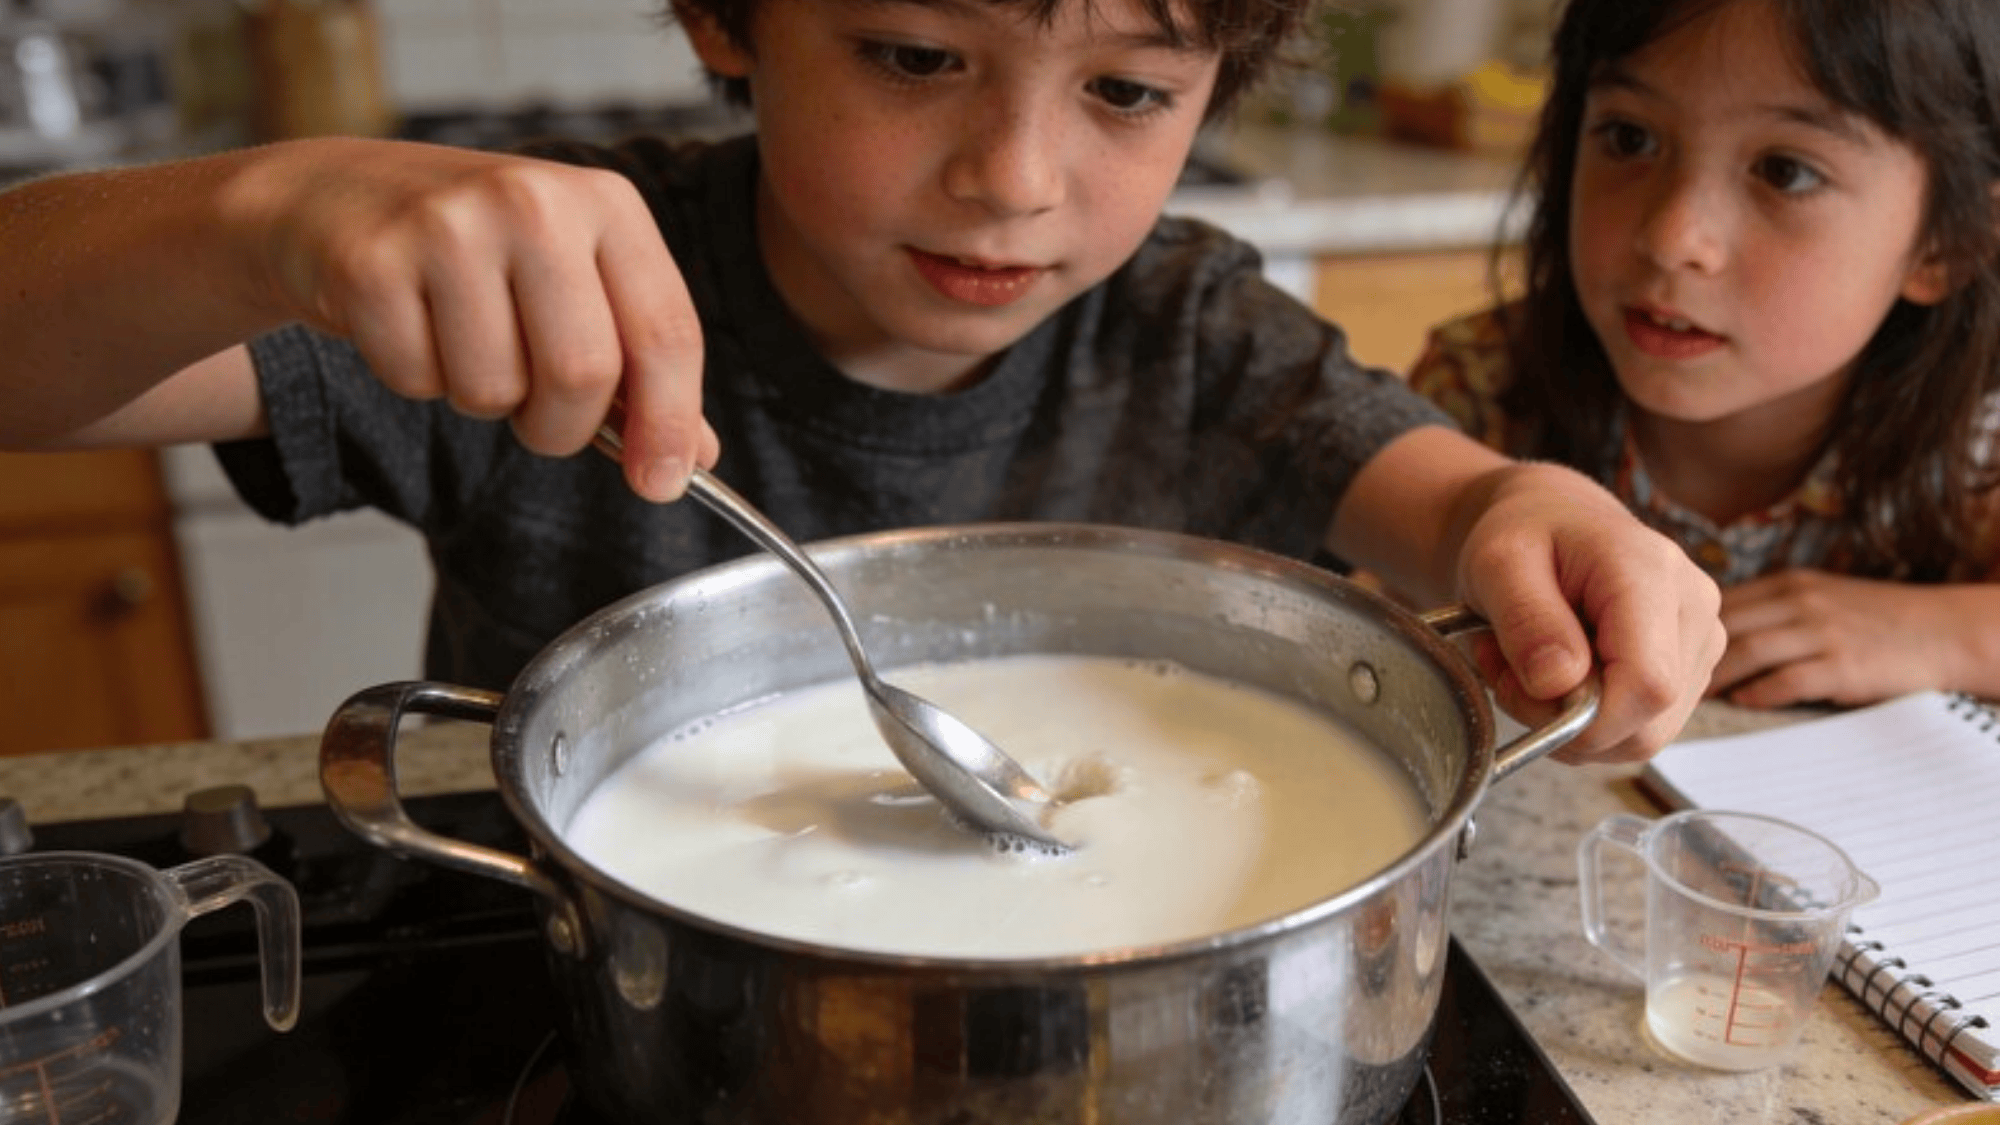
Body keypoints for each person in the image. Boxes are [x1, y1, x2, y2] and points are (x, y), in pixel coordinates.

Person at [0, 0, 1722, 762]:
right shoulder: (551, 291)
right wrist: (254, 220)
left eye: (1127, 92)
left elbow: (1462, 507)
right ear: (727, 16)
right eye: (915, 57)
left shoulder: (1190, 334)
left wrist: (1543, 520)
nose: (1015, 178)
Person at [1408, 0, 2000, 710]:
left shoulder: (1980, 444)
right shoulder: (1481, 385)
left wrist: (1942, 634)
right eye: (1629, 138)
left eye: (1786, 172)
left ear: (1950, 242)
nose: (1671, 237)